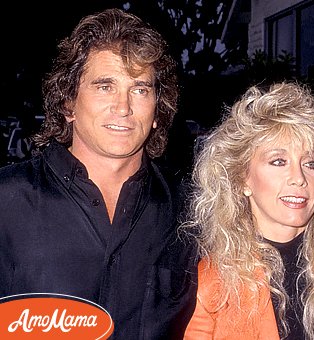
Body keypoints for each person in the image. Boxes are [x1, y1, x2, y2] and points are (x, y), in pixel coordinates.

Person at [0, 8, 197, 338]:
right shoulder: (7, 201)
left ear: (157, 114)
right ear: (68, 104)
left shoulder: (191, 212)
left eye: (139, 89)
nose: (123, 107)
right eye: (105, 86)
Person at [182, 82, 314, 339]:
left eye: (311, 163)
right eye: (279, 161)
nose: (299, 178)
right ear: (242, 179)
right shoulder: (210, 280)